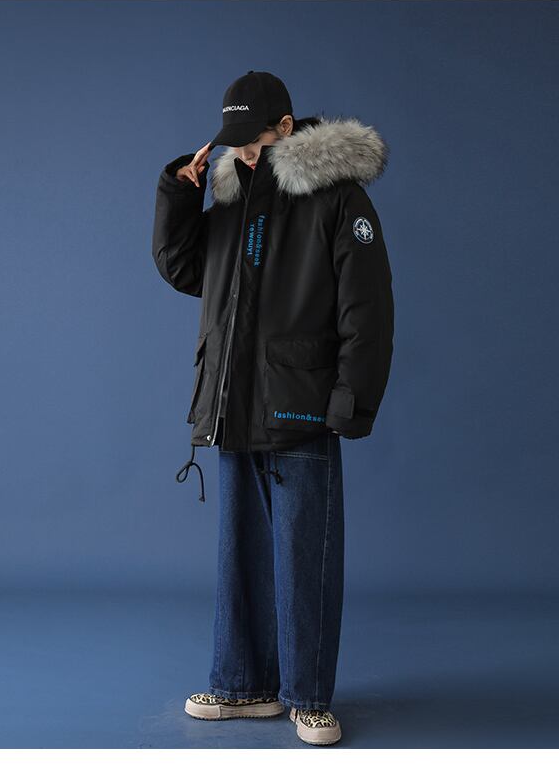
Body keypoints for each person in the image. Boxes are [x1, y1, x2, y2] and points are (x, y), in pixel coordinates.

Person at [151, 70, 394, 746]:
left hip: (301, 406)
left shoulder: (337, 198)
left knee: (304, 557)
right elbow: (184, 269)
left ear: (286, 128)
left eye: (253, 141)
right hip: (235, 402)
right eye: (234, 143)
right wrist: (179, 192)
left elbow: (368, 308)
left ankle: (308, 697)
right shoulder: (232, 198)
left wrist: (351, 399)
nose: (243, 153)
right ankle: (243, 686)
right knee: (243, 555)